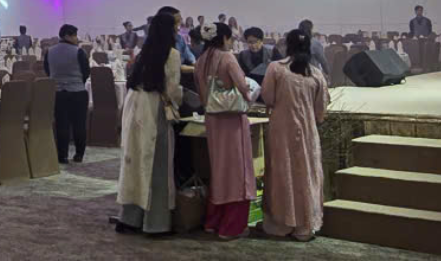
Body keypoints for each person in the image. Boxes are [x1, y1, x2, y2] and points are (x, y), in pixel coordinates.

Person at [115, 13, 183, 235]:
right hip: (154, 109)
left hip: (133, 105)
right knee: (157, 166)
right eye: (176, 25)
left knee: (133, 162)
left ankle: (129, 218)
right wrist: (182, 99)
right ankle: (156, 223)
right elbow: (172, 89)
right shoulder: (171, 54)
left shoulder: (144, 52)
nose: (178, 28)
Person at [262, 28, 329, 242]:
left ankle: (280, 225)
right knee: (306, 174)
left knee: (282, 173)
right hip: (308, 132)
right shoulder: (316, 74)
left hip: (281, 131)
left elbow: (268, 98)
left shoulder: (275, 68)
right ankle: (304, 228)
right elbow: (321, 111)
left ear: (287, 46)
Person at [195, 22, 256, 241]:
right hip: (231, 119)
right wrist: (251, 93)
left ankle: (213, 221)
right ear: (223, 38)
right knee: (237, 171)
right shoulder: (227, 58)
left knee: (219, 169)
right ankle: (231, 226)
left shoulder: (201, 60)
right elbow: (243, 87)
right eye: (230, 38)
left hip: (212, 119)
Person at [44, 24, 90, 163]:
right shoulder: (79, 51)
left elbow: (47, 71)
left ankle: (62, 155)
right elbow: (86, 72)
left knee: (61, 124)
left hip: (58, 93)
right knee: (79, 124)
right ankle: (79, 154)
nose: (77, 38)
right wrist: (78, 82)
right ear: (67, 36)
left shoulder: (49, 51)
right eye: (74, 35)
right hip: (77, 92)